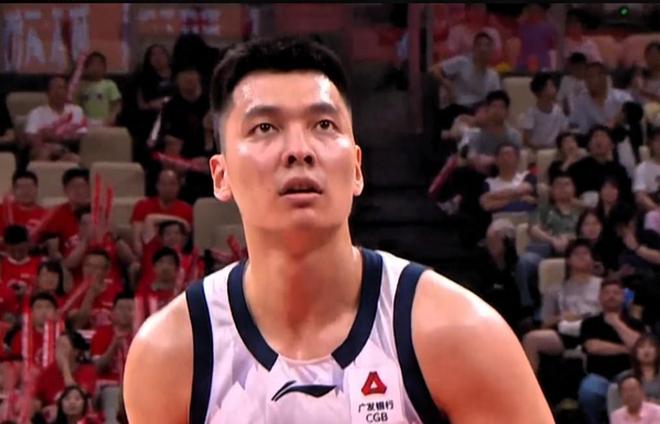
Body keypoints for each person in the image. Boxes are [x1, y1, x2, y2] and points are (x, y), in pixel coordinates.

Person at [124, 36, 553, 423]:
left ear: (357, 168)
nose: (299, 150)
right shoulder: (171, 354)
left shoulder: (461, 334)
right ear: (221, 176)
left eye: (323, 125)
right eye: (264, 128)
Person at [522, 239, 602, 373]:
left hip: (597, 330)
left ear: (593, 260)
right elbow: (544, 323)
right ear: (568, 260)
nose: (581, 256)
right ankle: (530, 384)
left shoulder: (604, 286)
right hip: (568, 333)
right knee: (531, 339)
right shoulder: (555, 290)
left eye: (585, 253)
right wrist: (561, 317)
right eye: (576, 254)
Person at [578, 279, 645, 424]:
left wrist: (616, 323)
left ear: (623, 297)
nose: (611, 296)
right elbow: (593, 347)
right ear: (600, 297)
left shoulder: (635, 323)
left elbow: (640, 347)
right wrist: (626, 348)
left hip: (629, 375)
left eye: (616, 293)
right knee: (588, 391)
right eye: (607, 293)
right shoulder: (590, 323)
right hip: (598, 375)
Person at [515, 171, 582, 313]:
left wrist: (570, 240)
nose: (563, 188)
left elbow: (589, 231)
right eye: (558, 185)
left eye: (567, 184)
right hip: (546, 248)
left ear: (574, 188)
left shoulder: (581, 211)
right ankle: (528, 307)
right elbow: (533, 229)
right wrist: (552, 240)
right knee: (524, 262)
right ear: (552, 190)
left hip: (576, 249)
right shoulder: (543, 209)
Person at [480, 142, 537, 272]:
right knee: (493, 233)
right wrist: (517, 197)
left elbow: (526, 188)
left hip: (528, 217)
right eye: (502, 155)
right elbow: (487, 205)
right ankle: (502, 270)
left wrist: (495, 197)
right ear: (496, 160)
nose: (506, 158)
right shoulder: (489, 182)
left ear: (517, 158)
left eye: (510, 154)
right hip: (503, 219)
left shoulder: (526, 176)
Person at [430, 32, 501, 130]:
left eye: (487, 46)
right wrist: (446, 84)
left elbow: (497, 101)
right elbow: (434, 69)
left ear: (491, 51)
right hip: (457, 108)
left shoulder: (493, 75)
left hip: (477, 112)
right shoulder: (462, 62)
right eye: (479, 45)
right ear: (473, 48)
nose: (483, 49)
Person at [34, 330, 98, 422]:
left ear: (76, 351)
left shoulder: (87, 370)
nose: (58, 351)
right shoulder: (48, 371)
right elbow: (38, 400)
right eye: (57, 347)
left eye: (63, 347)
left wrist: (65, 366)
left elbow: (76, 396)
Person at [91, 292, 134, 424]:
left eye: (130, 309)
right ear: (113, 312)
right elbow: (98, 367)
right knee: (113, 394)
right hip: (110, 386)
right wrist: (114, 345)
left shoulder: (143, 333)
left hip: (135, 385)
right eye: (121, 309)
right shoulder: (102, 333)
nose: (125, 313)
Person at [130, 169, 193, 258]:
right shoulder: (142, 206)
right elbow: (137, 242)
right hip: (149, 255)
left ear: (179, 186)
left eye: (172, 184)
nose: (168, 188)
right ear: (157, 186)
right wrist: (180, 221)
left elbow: (186, 242)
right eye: (164, 184)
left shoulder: (187, 209)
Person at [25, 75, 87, 161]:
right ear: (47, 93)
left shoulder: (77, 110)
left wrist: (59, 139)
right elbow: (30, 136)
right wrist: (48, 147)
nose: (57, 92)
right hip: (44, 149)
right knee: (42, 153)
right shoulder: (37, 112)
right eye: (53, 88)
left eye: (61, 88)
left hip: (68, 150)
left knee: (74, 158)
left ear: (67, 92)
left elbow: (82, 134)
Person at [568, 125, 632, 207]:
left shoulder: (619, 170)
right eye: (595, 136)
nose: (599, 140)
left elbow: (627, 197)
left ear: (612, 145)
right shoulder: (576, 168)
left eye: (603, 136)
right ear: (588, 145)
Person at [37, 168, 91, 263]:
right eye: (73, 186)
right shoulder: (56, 215)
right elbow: (51, 250)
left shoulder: (100, 212)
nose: (79, 191)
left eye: (82, 186)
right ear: (65, 190)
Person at [569, 62, 635, 135]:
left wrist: (615, 120)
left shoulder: (621, 96)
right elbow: (578, 126)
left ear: (603, 78)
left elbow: (633, 110)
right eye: (586, 78)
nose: (588, 81)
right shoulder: (582, 101)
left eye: (591, 77)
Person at [66, 249, 124, 330]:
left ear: (107, 271)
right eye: (88, 266)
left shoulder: (118, 291)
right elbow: (78, 324)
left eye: (97, 267)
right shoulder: (74, 292)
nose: (91, 270)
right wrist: (91, 294)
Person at [608, 335, 660, 413]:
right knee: (613, 388)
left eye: (651, 346)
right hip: (632, 415)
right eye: (641, 347)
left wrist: (655, 404)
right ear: (635, 352)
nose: (646, 350)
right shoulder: (624, 377)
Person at [4, 292, 57, 367]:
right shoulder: (21, 337)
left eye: (48, 307)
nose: (44, 311)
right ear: (31, 313)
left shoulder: (63, 338)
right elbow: (16, 366)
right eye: (38, 307)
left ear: (56, 313)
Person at [133, 247, 180, 329]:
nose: (165, 267)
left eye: (170, 263)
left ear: (177, 269)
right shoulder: (142, 295)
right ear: (154, 267)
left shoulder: (182, 295)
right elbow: (137, 325)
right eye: (161, 262)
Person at [521, 72, 568, 149]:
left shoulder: (558, 111)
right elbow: (526, 140)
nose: (555, 88)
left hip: (555, 150)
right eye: (551, 86)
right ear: (542, 91)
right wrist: (538, 148)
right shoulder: (531, 113)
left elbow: (564, 132)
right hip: (537, 151)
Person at [76, 51, 122, 127]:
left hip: (105, 122)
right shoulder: (81, 86)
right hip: (86, 123)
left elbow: (117, 105)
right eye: (92, 64)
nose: (96, 68)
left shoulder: (109, 84)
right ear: (86, 68)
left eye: (99, 65)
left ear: (104, 68)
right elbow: (76, 105)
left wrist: (112, 117)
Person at [0, 170, 47, 239]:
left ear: (37, 189)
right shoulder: (3, 210)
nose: (25, 191)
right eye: (21, 187)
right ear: (13, 190)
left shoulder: (46, 216)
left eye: (29, 187)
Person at [0, 225, 43, 296]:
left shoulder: (41, 264)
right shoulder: (1, 266)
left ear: (28, 244)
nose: (17, 255)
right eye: (12, 251)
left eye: (21, 250)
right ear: (5, 246)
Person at [516, 3, 556, 72]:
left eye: (536, 10)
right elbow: (518, 44)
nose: (533, 13)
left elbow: (552, 46)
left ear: (540, 12)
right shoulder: (522, 27)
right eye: (531, 10)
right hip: (524, 64)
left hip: (542, 64)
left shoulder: (548, 28)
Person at [634, 129, 660, 229]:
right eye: (657, 140)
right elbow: (641, 197)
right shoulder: (643, 168)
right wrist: (656, 209)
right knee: (652, 216)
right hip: (654, 212)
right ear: (651, 144)